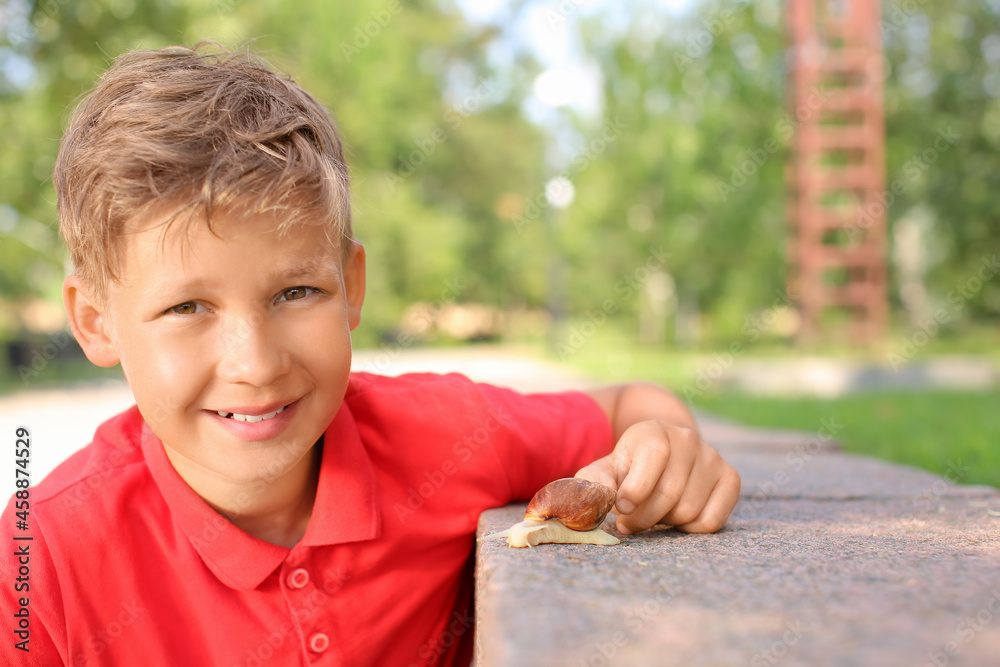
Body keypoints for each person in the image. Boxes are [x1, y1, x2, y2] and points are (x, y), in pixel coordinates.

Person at [1, 43, 740, 666]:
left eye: (294, 292)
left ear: (351, 286)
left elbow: (630, 406)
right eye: (188, 307)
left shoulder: (448, 437)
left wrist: (662, 449)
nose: (254, 363)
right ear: (96, 322)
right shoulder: (39, 563)